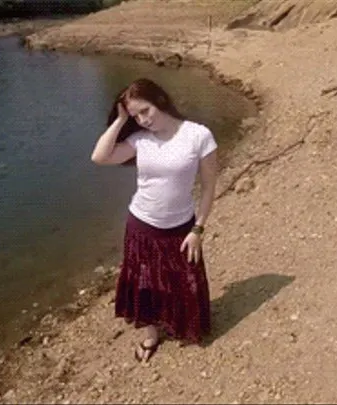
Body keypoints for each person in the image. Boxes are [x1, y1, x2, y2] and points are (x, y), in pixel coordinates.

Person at [90, 78, 219, 362]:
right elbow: (99, 157)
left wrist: (199, 228)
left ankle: (185, 325)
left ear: (160, 100)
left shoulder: (198, 135)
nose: (143, 120)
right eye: (136, 115)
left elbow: (209, 186)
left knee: (185, 281)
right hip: (141, 223)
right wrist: (120, 120)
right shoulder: (140, 140)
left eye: (145, 110)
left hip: (182, 225)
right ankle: (151, 335)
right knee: (143, 282)